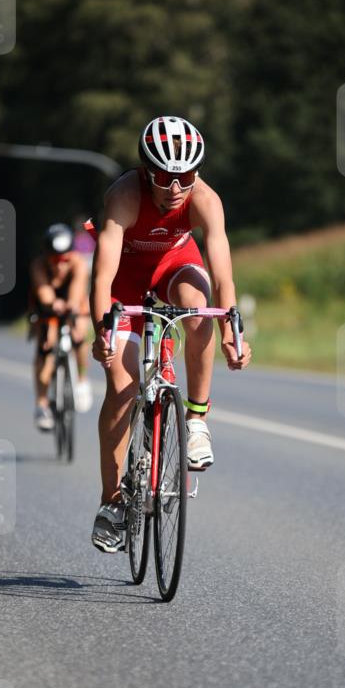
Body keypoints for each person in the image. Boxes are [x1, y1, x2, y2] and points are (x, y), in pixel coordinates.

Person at [90, 115, 252, 552]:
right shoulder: (124, 195)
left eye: (186, 175)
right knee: (121, 389)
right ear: (147, 171)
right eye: (164, 176)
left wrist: (232, 330)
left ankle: (196, 419)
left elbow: (223, 276)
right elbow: (102, 276)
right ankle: (112, 501)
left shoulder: (206, 200)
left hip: (173, 265)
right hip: (124, 278)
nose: (176, 186)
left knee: (199, 310)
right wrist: (103, 329)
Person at [29, 223, 93, 431]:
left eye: (64, 260)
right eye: (55, 260)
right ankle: (41, 404)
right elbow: (44, 292)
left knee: (79, 334)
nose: (60, 265)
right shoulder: (39, 266)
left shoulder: (79, 263)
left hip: (73, 300)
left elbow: (77, 288)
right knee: (46, 346)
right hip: (48, 304)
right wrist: (51, 303)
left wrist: (72, 305)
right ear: (47, 256)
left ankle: (81, 379)